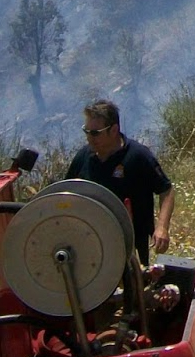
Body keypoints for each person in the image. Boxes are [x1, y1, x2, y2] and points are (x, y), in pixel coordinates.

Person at [66, 99, 175, 265]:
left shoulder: (138, 155)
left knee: (134, 286)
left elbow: (166, 191)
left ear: (114, 129)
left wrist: (162, 228)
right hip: (91, 240)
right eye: (86, 131)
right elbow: (65, 192)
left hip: (132, 242)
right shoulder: (83, 157)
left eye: (95, 133)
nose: (89, 138)